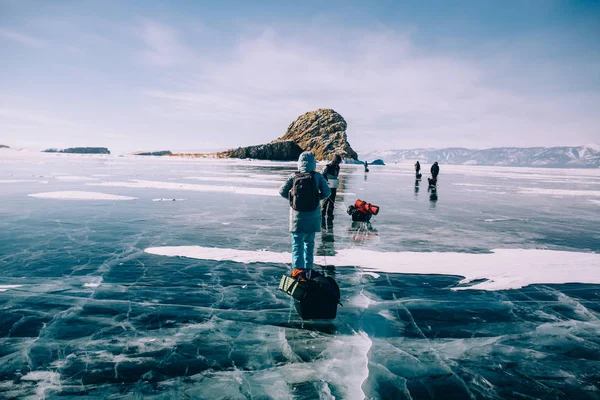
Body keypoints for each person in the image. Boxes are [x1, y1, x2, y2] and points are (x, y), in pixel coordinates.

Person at [279, 151, 330, 271]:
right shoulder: (317, 176)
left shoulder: (294, 176)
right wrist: (316, 199)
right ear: (313, 163)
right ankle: (308, 272)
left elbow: (282, 191)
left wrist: (293, 200)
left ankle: (298, 274)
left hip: (297, 218)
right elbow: (327, 192)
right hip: (313, 217)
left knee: (297, 246)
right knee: (309, 245)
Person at [321, 154, 342, 229]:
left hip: (333, 187)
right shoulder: (327, 167)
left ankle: (330, 214)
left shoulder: (338, 168)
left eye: (338, 162)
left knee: (332, 201)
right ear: (333, 161)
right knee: (325, 200)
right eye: (336, 162)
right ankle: (322, 214)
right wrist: (326, 180)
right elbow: (321, 175)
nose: (337, 164)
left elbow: (336, 176)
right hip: (327, 186)